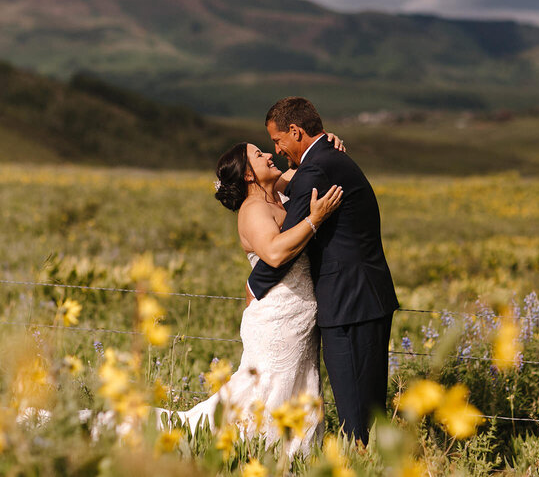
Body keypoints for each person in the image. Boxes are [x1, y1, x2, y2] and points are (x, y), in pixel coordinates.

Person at [157, 137, 345, 456]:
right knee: (267, 388)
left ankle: (288, 455)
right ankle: (255, 451)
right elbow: (273, 253)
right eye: (259, 155)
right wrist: (315, 219)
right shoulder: (254, 208)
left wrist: (329, 142)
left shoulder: (277, 194)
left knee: (297, 383)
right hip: (275, 317)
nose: (269, 155)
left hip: (298, 316)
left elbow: (309, 167)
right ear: (247, 174)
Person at [247, 97, 399, 445]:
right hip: (363, 299)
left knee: (356, 415)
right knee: (368, 411)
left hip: (349, 304)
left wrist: (255, 288)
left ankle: (363, 466)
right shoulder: (328, 159)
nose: (277, 150)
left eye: (277, 140)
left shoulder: (318, 168)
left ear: (296, 131)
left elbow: (287, 243)